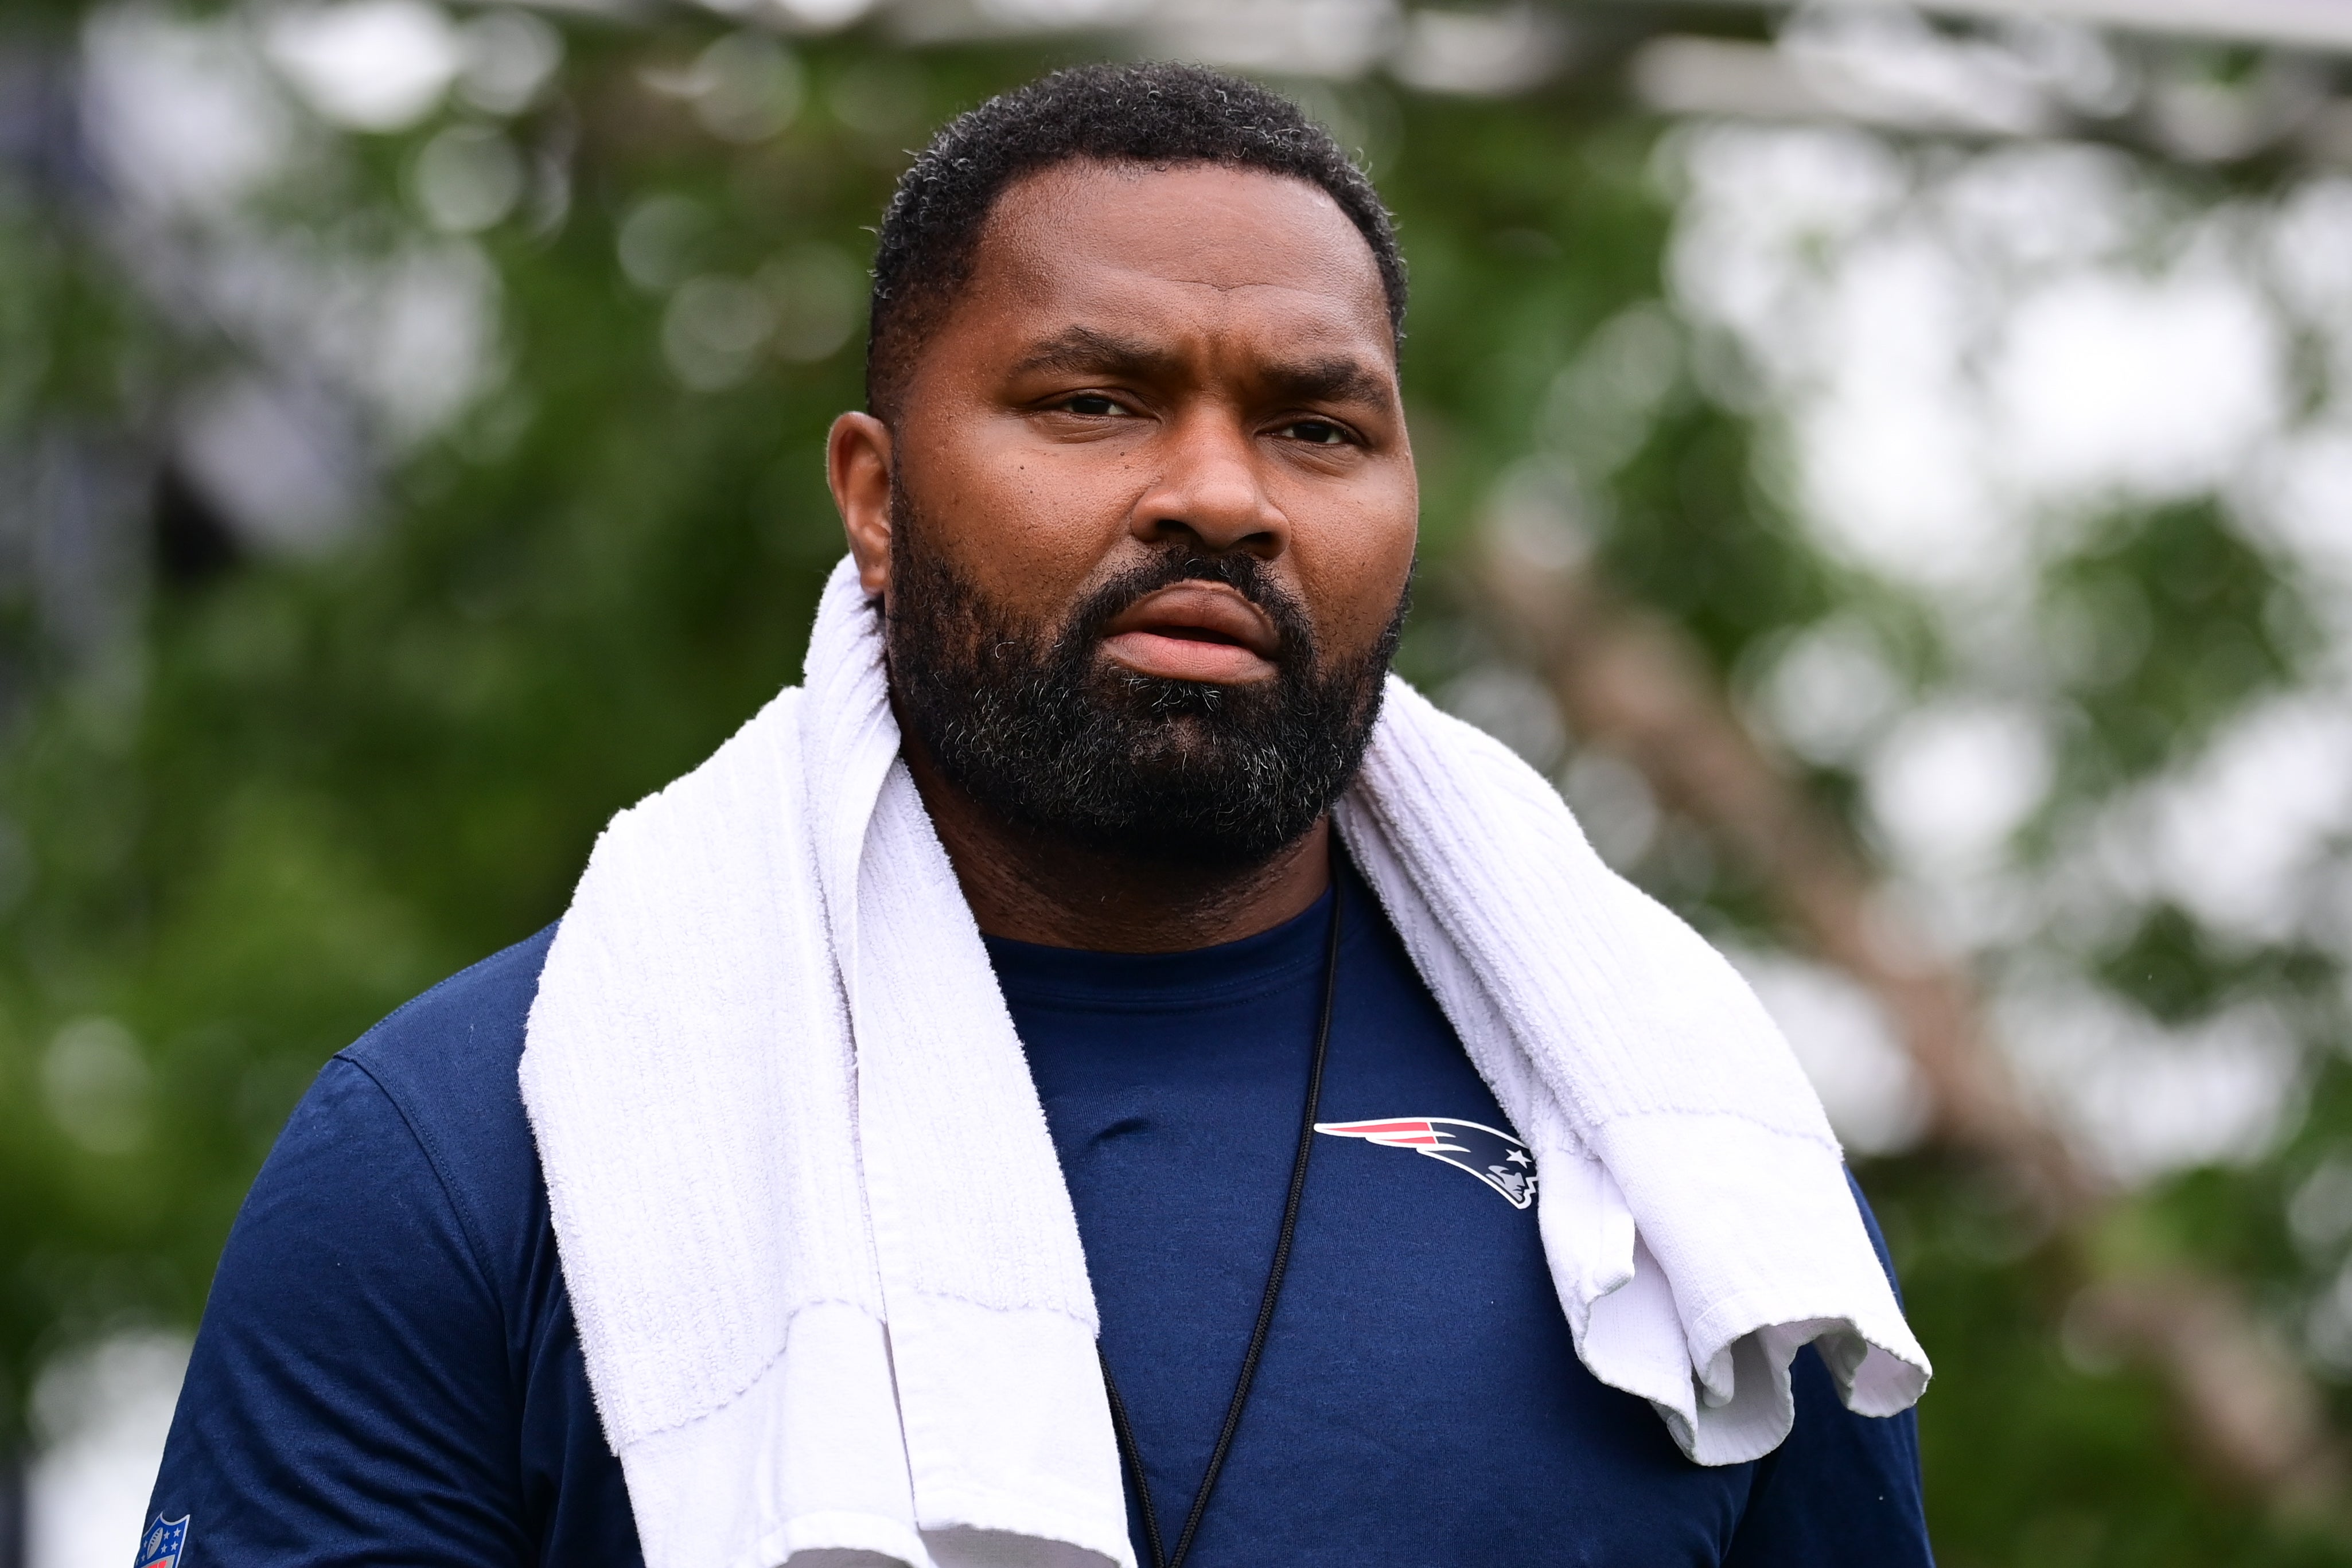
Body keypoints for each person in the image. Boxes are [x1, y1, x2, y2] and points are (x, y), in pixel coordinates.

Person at [143, 63, 1933, 1568]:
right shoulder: (472, 1148)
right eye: (1095, 402)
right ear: (875, 494)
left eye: (1318, 429)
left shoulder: (1689, 1154)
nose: (1221, 496)